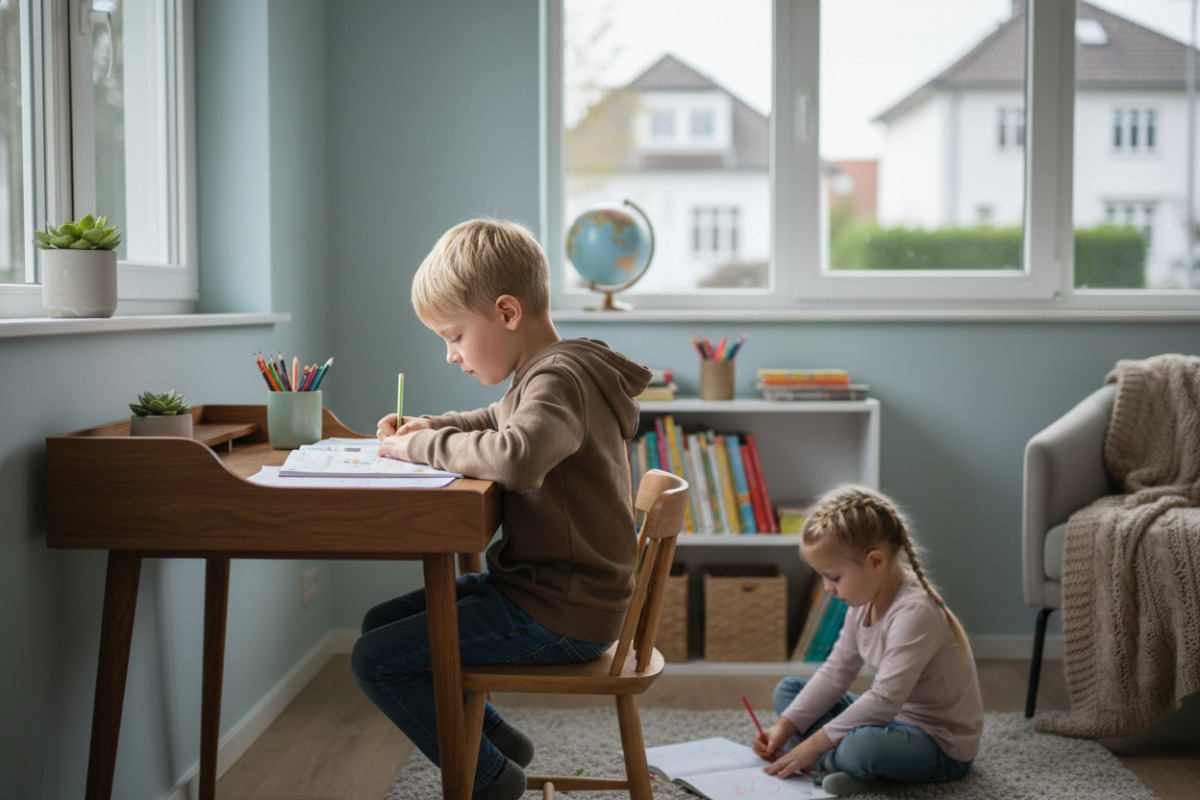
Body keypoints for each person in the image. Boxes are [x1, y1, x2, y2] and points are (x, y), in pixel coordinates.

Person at [350, 218, 653, 800]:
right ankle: (496, 745)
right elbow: (497, 419)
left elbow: (517, 455)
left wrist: (416, 447)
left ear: (508, 313)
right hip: (550, 593)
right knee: (378, 627)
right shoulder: (551, 369)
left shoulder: (557, 379)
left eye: (455, 336)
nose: (449, 355)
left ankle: (490, 779)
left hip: (562, 611)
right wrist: (435, 425)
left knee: (376, 661)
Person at [752, 484, 983, 797]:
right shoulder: (863, 600)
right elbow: (836, 673)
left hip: (938, 743)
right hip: (887, 719)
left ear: (876, 562)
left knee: (862, 747)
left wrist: (813, 744)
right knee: (789, 691)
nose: (828, 588)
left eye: (834, 577)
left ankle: (831, 762)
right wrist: (785, 727)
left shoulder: (916, 612)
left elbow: (885, 699)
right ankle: (842, 766)